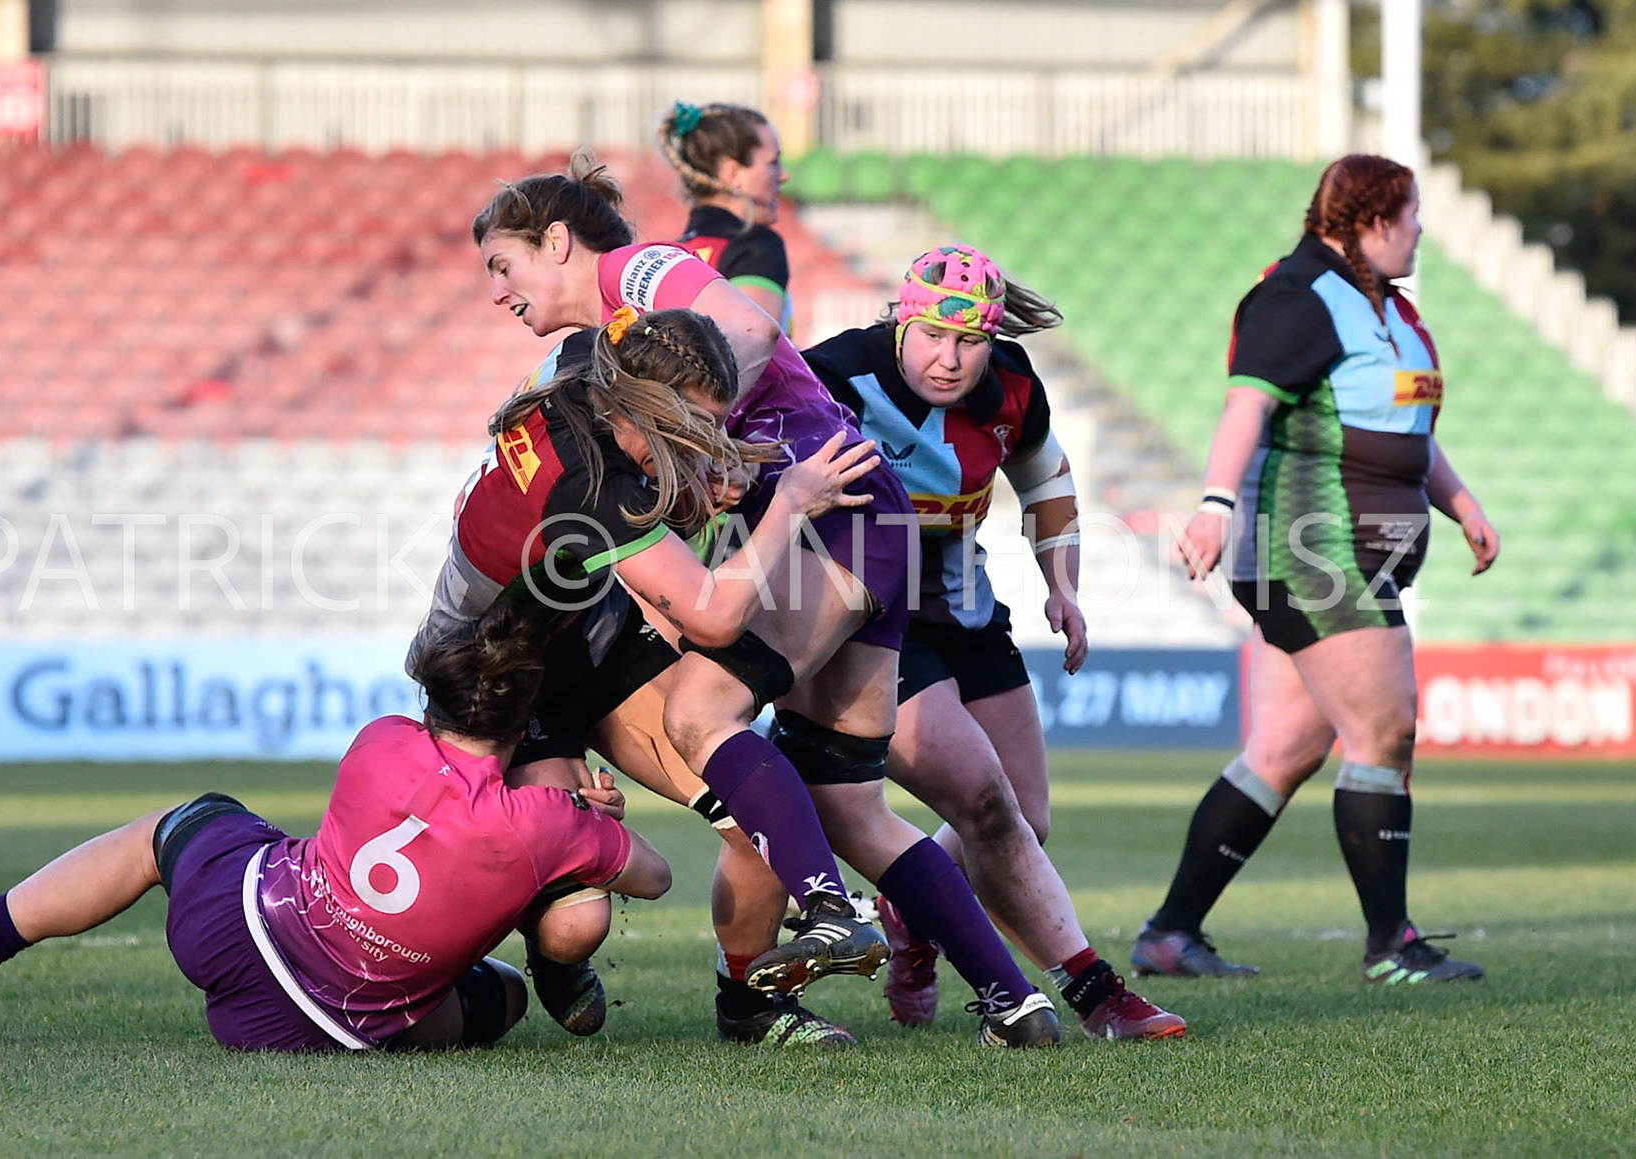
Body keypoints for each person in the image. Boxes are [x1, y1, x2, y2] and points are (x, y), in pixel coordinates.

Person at [476, 155, 1063, 1048]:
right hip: (863, 521)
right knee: (851, 807)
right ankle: (1013, 1001)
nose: (498, 291)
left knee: (702, 713)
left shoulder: (633, 275)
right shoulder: (591, 353)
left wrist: (701, 446)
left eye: (502, 265)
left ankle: (828, 915)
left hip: (831, 517)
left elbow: (745, 330)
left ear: (556, 241)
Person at [0, 605, 672, 1052]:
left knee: (176, 827)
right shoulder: (543, 820)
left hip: (235, 933)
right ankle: (551, 973)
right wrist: (589, 821)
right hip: (335, 1028)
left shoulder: (382, 741)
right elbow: (656, 875)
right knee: (502, 996)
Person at [436, 302, 886, 1045]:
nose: (703, 444)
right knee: (576, 921)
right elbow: (712, 616)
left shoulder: (602, 363)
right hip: (493, 676)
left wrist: (702, 474)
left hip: (586, 633)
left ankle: (749, 1006)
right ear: (645, 409)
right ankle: (536, 948)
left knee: (756, 813)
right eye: (691, 430)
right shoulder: (590, 483)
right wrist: (792, 505)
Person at [803, 244, 1187, 1040]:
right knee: (982, 800)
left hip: (963, 606)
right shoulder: (833, 375)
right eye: (934, 337)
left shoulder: (1011, 384)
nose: (950, 360)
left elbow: (1047, 480)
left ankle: (914, 905)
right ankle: (1096, 993)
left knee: (1026, 815)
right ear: (901, 320)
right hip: (866, 619)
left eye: (970, 341)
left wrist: (1065, 586)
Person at [1132, 153, 1498, 984]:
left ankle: (1169, 933)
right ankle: (1392, 944)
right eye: (1410, 215)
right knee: (1386, 730)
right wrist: (1216, 504)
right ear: (1371, 221)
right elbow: (1246, 402)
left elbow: (1407, 432)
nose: (1421, 231)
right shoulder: (1300, 295)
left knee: (1284, 749)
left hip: (1349, 552)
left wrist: (1463, 503)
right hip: (1313, 549)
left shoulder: (1390, 311)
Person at [657, 100, 794, 329]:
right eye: (773, 163)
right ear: (733, 174)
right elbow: (749, 347)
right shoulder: (756, 247)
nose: (783, 176)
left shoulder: (673, 254)